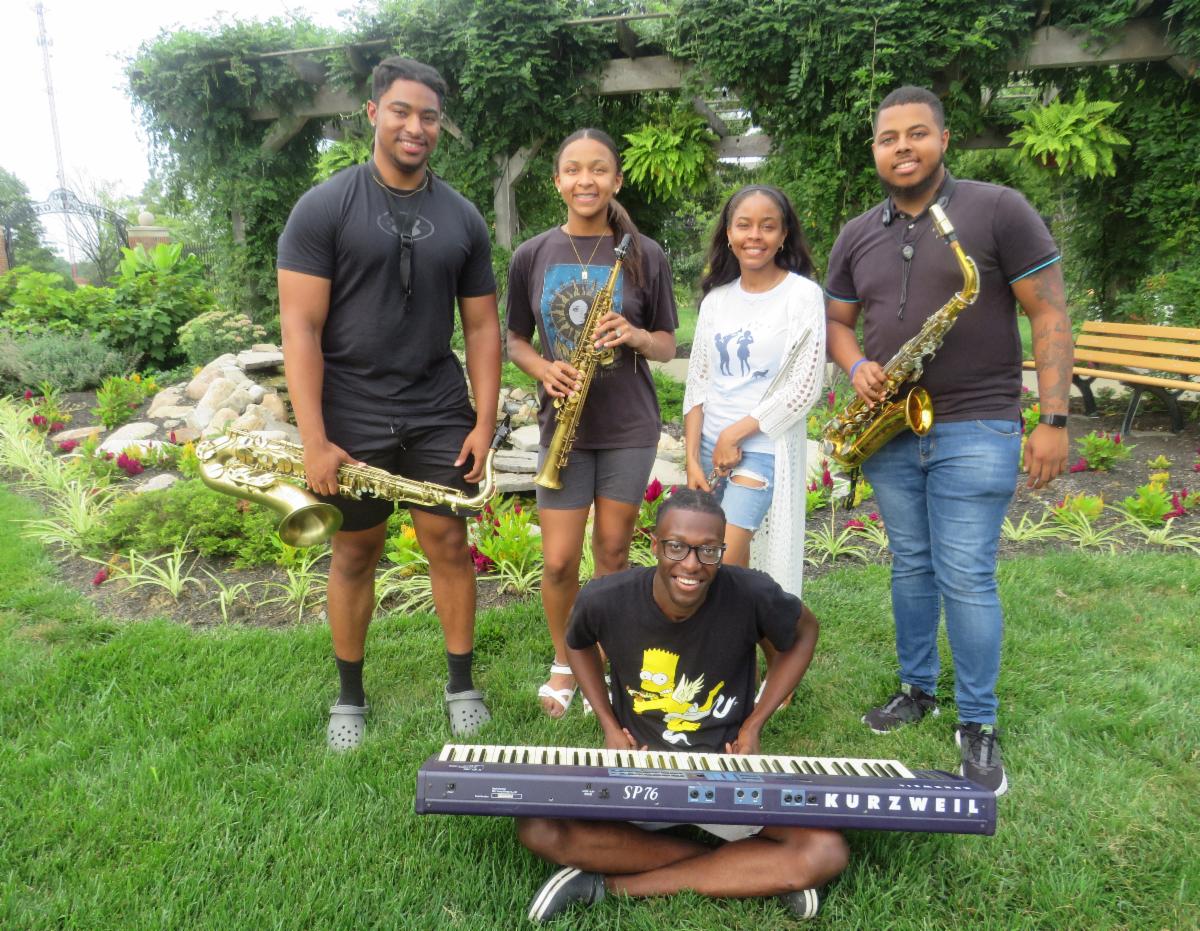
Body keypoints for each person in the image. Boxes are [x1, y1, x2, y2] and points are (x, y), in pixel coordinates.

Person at [824, 86, 1073, 795]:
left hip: (978, 419)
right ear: (874, 149)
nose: (902, 147)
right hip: (892, 424)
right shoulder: (856, 232)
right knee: (910, 564)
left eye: (917, 134)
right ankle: (917, 688)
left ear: (945, 138)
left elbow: (1050, 313)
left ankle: (979, 721)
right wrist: (858, 364)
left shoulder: (998, 209)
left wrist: (1052, 419)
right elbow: (839, 323)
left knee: (964, 571)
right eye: (887, 137)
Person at [277, 57, 502, 750]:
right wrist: (314, 438)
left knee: (450, 542)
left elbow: (484, 326)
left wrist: (486, 423)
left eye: (429, 116)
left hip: (437, 404)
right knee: (354, 551)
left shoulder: (460, 215)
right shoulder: (324, 207)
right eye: (402, 111)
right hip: (352, 409)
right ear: (373, 113)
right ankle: (349, 697)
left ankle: (461, 683)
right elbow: (300, 327)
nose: (416, 126)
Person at [517, 489, 849, 923]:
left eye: (708, 550)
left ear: (720, 550)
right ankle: (745, 868)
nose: (691, 564)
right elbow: (576, 643)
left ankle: (607, 886)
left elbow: (805, 632)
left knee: (825, 851)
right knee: (539, 827)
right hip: (640, 774)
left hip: (728, 777)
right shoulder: (607, 597)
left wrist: (753, 724)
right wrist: (609, 725)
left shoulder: (749, 593)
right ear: (654, 544)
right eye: (676, 547)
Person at [506, 128, 678, 719]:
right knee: (556, 561)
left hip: (629, 425)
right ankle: (565, 658)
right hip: (563, 427)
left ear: (617, 180)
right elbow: (513, 340)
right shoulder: (531, 254)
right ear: (557, 181)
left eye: (599, 169)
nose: (586, 180)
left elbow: (665, 345)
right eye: (573, 170)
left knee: (611, 553)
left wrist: (633, 334)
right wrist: (541, 368)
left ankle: (608, 654)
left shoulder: (644, 252)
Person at [683, 185, 827, 698]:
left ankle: (727, 676)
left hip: (761, 451)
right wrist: (692, 455)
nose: (755, 235)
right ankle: (781, 662)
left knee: (725, 565)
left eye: (768, 225)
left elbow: (807, 386)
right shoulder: (717, 301)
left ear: (784, 233)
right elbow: (698, 381)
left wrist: (736, 432)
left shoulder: (803, 296)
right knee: (707, 565)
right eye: (744, 224)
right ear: (728, 232)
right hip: (709, 452)